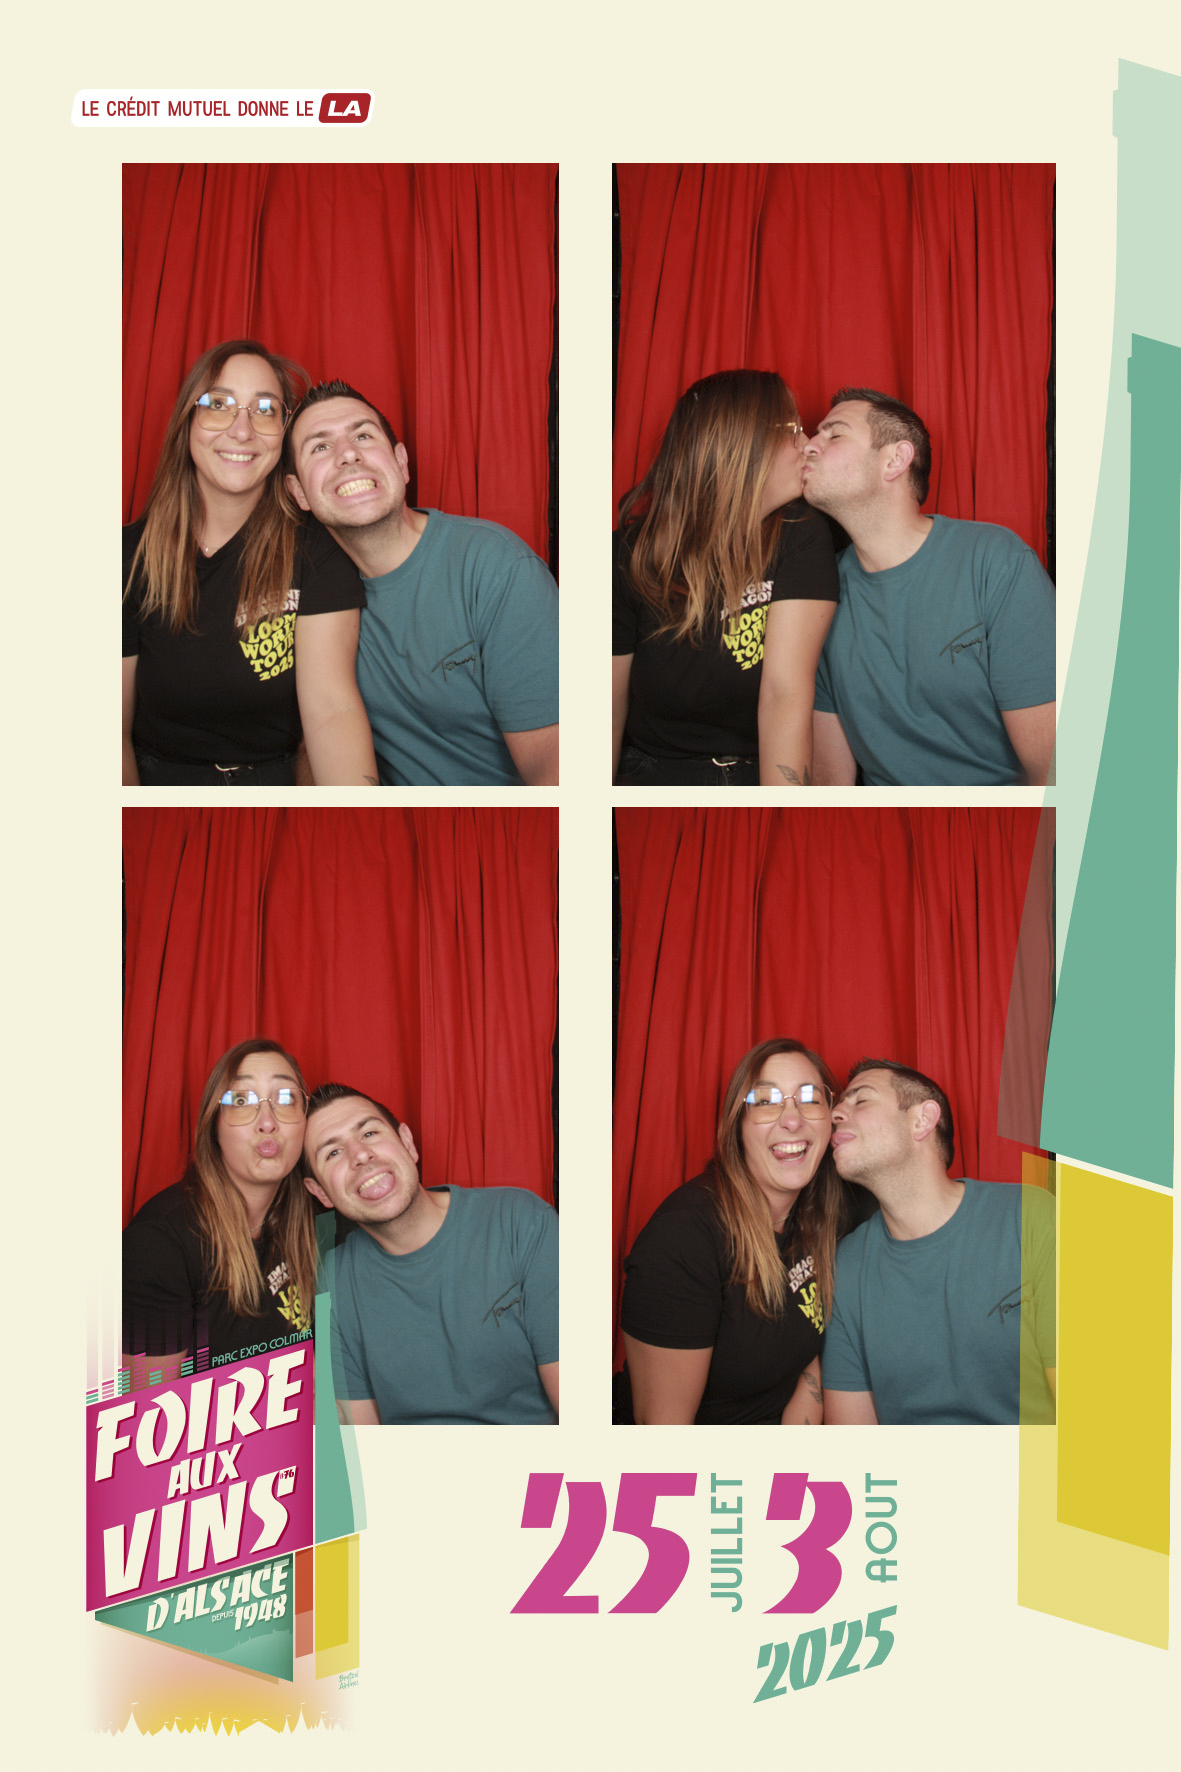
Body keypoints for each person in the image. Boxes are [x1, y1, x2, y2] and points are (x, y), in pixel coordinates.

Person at [123, 340, 379, 786]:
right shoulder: (126, 556)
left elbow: (332, 711)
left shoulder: (316, 549)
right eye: (219, 405)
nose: (242, 431)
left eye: (264, 410)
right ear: (187, 421)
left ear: (284, 432)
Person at [282, 382, 559, 787]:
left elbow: (556, 769)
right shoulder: (313, 594)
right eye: (320, 447)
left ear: (401, 463)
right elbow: (320, 733)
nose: (348, 454)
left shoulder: (495, 567)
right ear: (298, 493)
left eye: (363, 436)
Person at [801, 388, 1056, 786]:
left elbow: (1055, 771)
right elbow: (830, 779)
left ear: (895, 460)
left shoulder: (995, 561)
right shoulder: (819, 591)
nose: (808, 446)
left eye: (834, 434)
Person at [620, 1040, 876, 1425]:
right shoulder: (683, 1239)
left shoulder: (825, 1210)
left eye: (810, 1098)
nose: (792, 1120)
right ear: (736, 1124)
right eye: (766, 1101)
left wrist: (807, 1401)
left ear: (830, 1117)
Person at [612, 371, 839, 786]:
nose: (807, 443)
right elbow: (604, 708)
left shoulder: (800, 533)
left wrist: (784, 814)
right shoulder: (631, 554)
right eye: (791, 429)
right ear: (740, 446)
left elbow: (784, 695)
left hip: (758, 772)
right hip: (657, 776)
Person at [302, 1082, 559, 1424]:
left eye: (369, 1133)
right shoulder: (332, 1280)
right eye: (333, 1153)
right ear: (320, 1192)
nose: (360, 1155)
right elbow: (359, 1444)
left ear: (407, 1143)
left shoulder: (520, 1221)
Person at [821, 1060, 1056, 1425]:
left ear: (922, 1120)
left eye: (860, 1100)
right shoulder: (846, 1264)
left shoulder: (1030, 1216)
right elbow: (854, 1445)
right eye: (838, 1104)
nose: (834, 1114)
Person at [122, 1040, 318, 1372]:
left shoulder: (312, 1210)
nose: (267, 1121)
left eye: (286, 1098)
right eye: (241, 1100)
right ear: (214, 1126)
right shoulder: (158, 1244)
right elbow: (147, 1403)